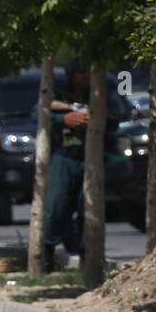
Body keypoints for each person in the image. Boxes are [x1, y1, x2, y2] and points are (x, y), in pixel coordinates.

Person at [43, 66, 91, 269]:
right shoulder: (58, 95)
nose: (84, 77)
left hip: (90, 157)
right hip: (64, 156)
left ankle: (87, 257)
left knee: (87, 207)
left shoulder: (100, 93)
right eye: (81, 72)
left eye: (88, 73)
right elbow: (39, 115)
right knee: (56, 206)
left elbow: (119, 113)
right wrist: (64, 119)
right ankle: (46, 256)